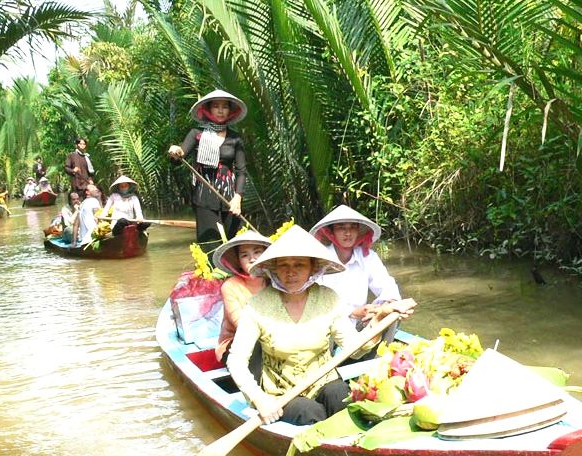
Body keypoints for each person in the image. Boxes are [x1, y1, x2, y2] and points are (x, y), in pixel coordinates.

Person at [226, 225, 415, 426]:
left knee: (341, 396)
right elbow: (236, 361)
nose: (291, 272)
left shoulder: (328, 299)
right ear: (274, 270)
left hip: (323, 383)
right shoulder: (258, 306)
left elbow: (355, 349)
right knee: (309, 412)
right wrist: (260, 399)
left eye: (299, 265)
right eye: (283, 266)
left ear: (312, 268)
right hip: (282, 394)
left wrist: (380, 317)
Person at [167, 89, 248, 253]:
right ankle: (210, 277)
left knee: (237, 243)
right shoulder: (196, 134)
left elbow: (241, 171)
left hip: (229, 197)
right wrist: (176, 152)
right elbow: (179, 156)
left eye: (224, 107)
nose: (220, 110)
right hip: (204, 194)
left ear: (230, 110)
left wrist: (237, 198)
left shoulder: (235, 138)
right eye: (216, 106)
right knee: (210, 245)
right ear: (208, 110)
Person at [309, 205, 401, 326]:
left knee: (393, 316)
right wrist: (351, 313)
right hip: (327, 324)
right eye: (341, 227)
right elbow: (314, 302)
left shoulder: (367, 257)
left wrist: (382, 308)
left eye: (353, 227)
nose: (348, 233)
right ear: (331, 232)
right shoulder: (319, 258)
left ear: (358, 231)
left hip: (360, 323)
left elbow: (387, 286)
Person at [212, 231, 272, 378]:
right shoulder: (230, 286)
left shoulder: (275, 282)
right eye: (245, 255)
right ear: (238, 261)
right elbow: (242, 326)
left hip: (273, 339)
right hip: (237, 344)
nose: (252, 259)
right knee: (257, 344)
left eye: (257, 252)